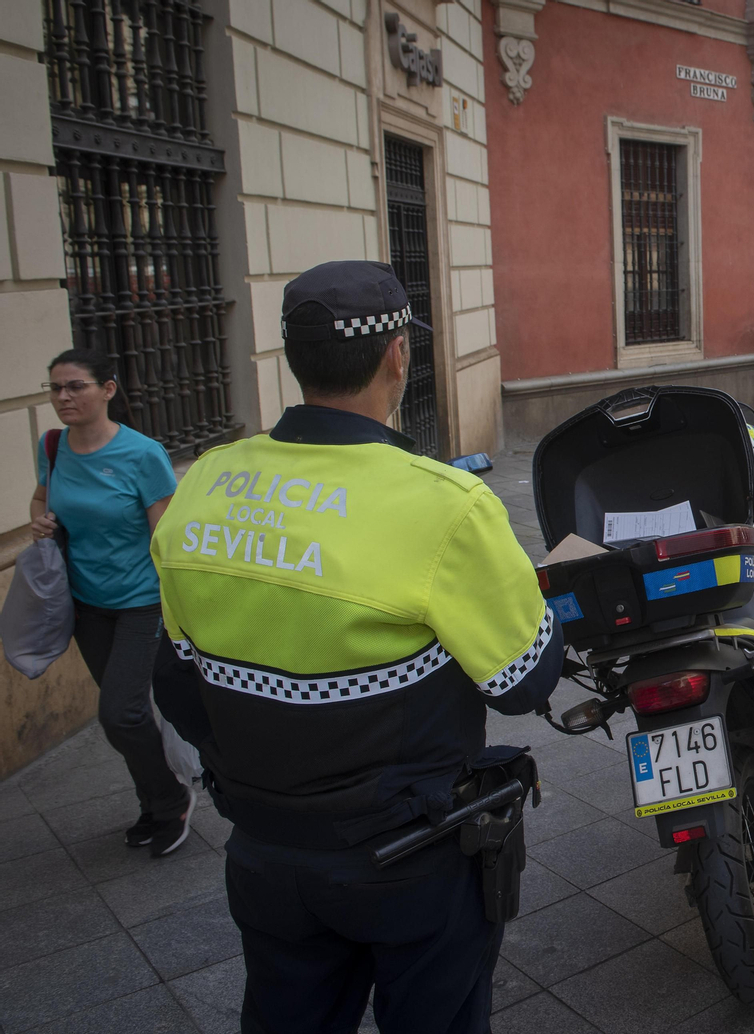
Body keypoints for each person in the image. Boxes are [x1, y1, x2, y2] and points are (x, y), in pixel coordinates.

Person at [149, 261, 565, 1033]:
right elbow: (522, 680)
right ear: (398, 356)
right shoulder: (445, 505)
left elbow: (176, 682)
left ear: (291, 358)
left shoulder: (204, 483)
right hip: (413, 861)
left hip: (266, 857)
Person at [29, 349, 193, 856]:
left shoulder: (142, 454)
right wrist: (38, 519)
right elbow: (42, 497)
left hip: (140, 603)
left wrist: (182, 612)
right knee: (128, 716)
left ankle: (170, 801)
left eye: (75, 386)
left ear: (107, 389)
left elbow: (164, 537)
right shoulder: (53, 445)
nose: (63, 397)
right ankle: (153, 800)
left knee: (119, 714)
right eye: (56, 388)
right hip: (85, 605)